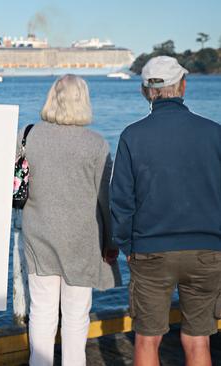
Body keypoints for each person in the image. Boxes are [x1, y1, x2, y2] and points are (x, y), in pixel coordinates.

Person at [110, 56, 221, 366]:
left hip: (150, 251)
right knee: (198, 340)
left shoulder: (132, 136)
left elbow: (120, 201)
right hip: (208, 250)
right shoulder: (214, 133)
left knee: (148, 338)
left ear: (146, 91)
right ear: (183, 86)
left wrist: (126, 245)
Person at [19, 74, 120, 366]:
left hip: (39, 238)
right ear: (82, 101)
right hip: (82, 241)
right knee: (76, 316)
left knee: (41, 312)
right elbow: (106, 199)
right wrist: (111, 241)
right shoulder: (96, 144)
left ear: (52, 98)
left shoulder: (27, 135)